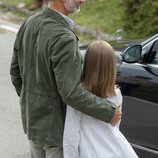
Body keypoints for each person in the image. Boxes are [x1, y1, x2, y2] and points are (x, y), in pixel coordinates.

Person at [10, 0, 121, 158]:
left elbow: (15, 73)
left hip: (32, 124)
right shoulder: (64, 37)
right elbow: (71, 93)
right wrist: (109, 111)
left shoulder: (29, 23)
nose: (83, 1)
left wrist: (32, 104)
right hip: (56, 131)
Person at [63, 40, 138, 158]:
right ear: (111, 67)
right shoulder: (116, 94)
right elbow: (115, 127)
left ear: (87, 65)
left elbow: (71, 136)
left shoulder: (78, 97)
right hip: (115, 150)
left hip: (89, 152)